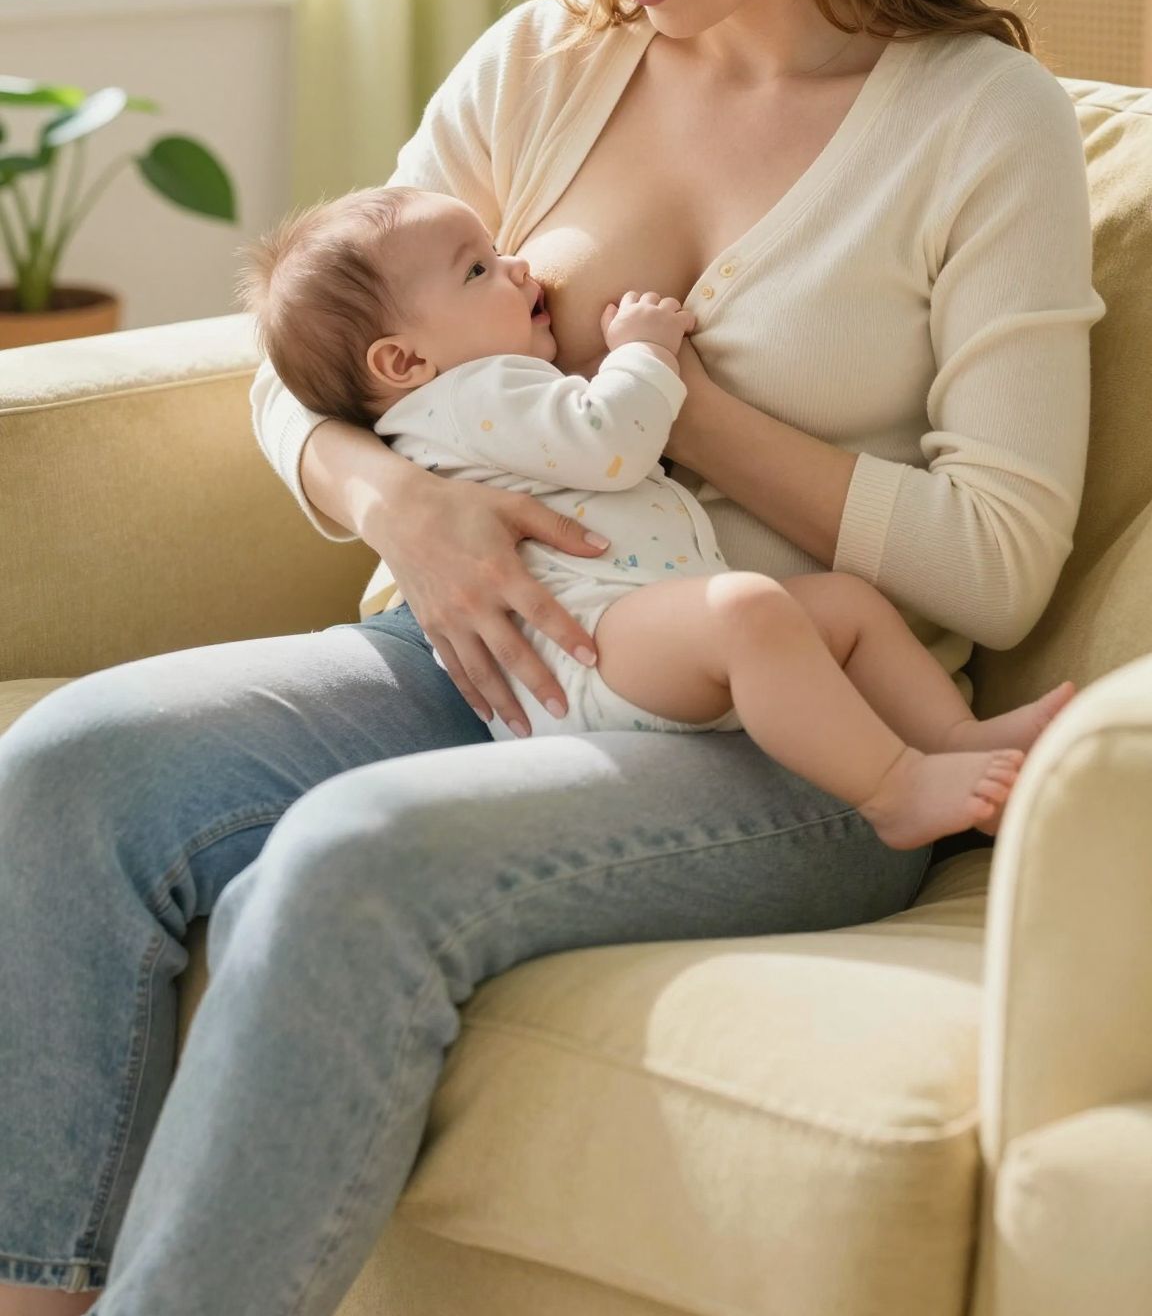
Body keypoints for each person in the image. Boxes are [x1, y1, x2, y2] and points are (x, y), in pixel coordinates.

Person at [0, 0, 1104, 1316]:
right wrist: (399, 508)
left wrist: (673, 408)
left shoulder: (979, 122)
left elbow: (992, 557)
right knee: (67, 768)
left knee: (345, 858)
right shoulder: (542, 60)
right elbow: (307, 367)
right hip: (480, 647)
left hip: (776, 724)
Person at [239, 182, 1076, 846]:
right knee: (750, 610)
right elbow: (611, 442)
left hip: (628, 635)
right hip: (591, 655)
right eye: (478, 271)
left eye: (496, 251)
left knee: (846, 607)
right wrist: (642, 350)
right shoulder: (471, 398)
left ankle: (956, 741)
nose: (521, 268)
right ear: (405, 359)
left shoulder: (465, 385)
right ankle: (895, 790)